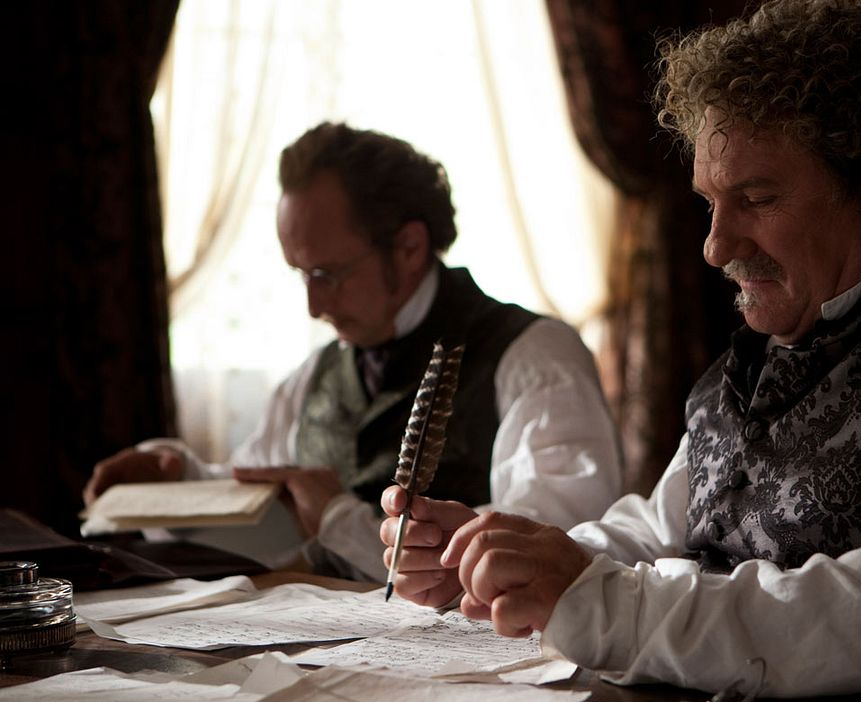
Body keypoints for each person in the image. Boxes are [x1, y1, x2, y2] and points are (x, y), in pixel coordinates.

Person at [379, 0, 861, 697]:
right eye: (711, 203)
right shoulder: (784, 333)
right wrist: (511, 558)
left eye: (756, 198)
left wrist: (604, 604)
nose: (716, 245)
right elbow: (667, 531)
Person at [85, 123, 622, 582]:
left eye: (327, 275)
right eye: (301, 275)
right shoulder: (315, 375)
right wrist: (177, 478)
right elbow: (255, 492)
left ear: (410, 248)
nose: (314, 306)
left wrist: (342, 523)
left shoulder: (535, 357)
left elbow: (550, 547)